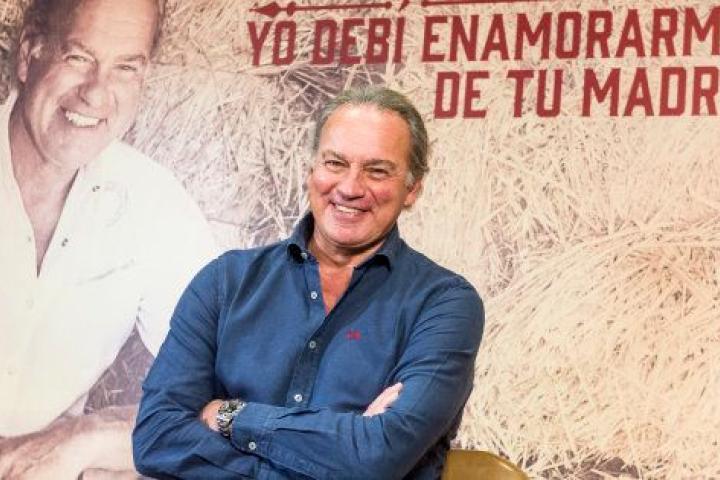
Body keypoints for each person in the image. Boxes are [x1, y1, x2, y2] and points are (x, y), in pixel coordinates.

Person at [133, 86, 484, 479]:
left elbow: (377, 457)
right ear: (311, 171)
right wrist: (339, 447)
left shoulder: (444, 304)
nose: (349, 187)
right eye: (335, 163)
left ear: (412, 189)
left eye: (377, 171)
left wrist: (230, 416)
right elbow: (156, 438)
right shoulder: (225, 282)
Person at [0, 0, 216, 477]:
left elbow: (245, 394)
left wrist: (88, 439)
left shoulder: (151, 202)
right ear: (29, 53)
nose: (96, 94)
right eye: (78, 58)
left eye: (125, 68)